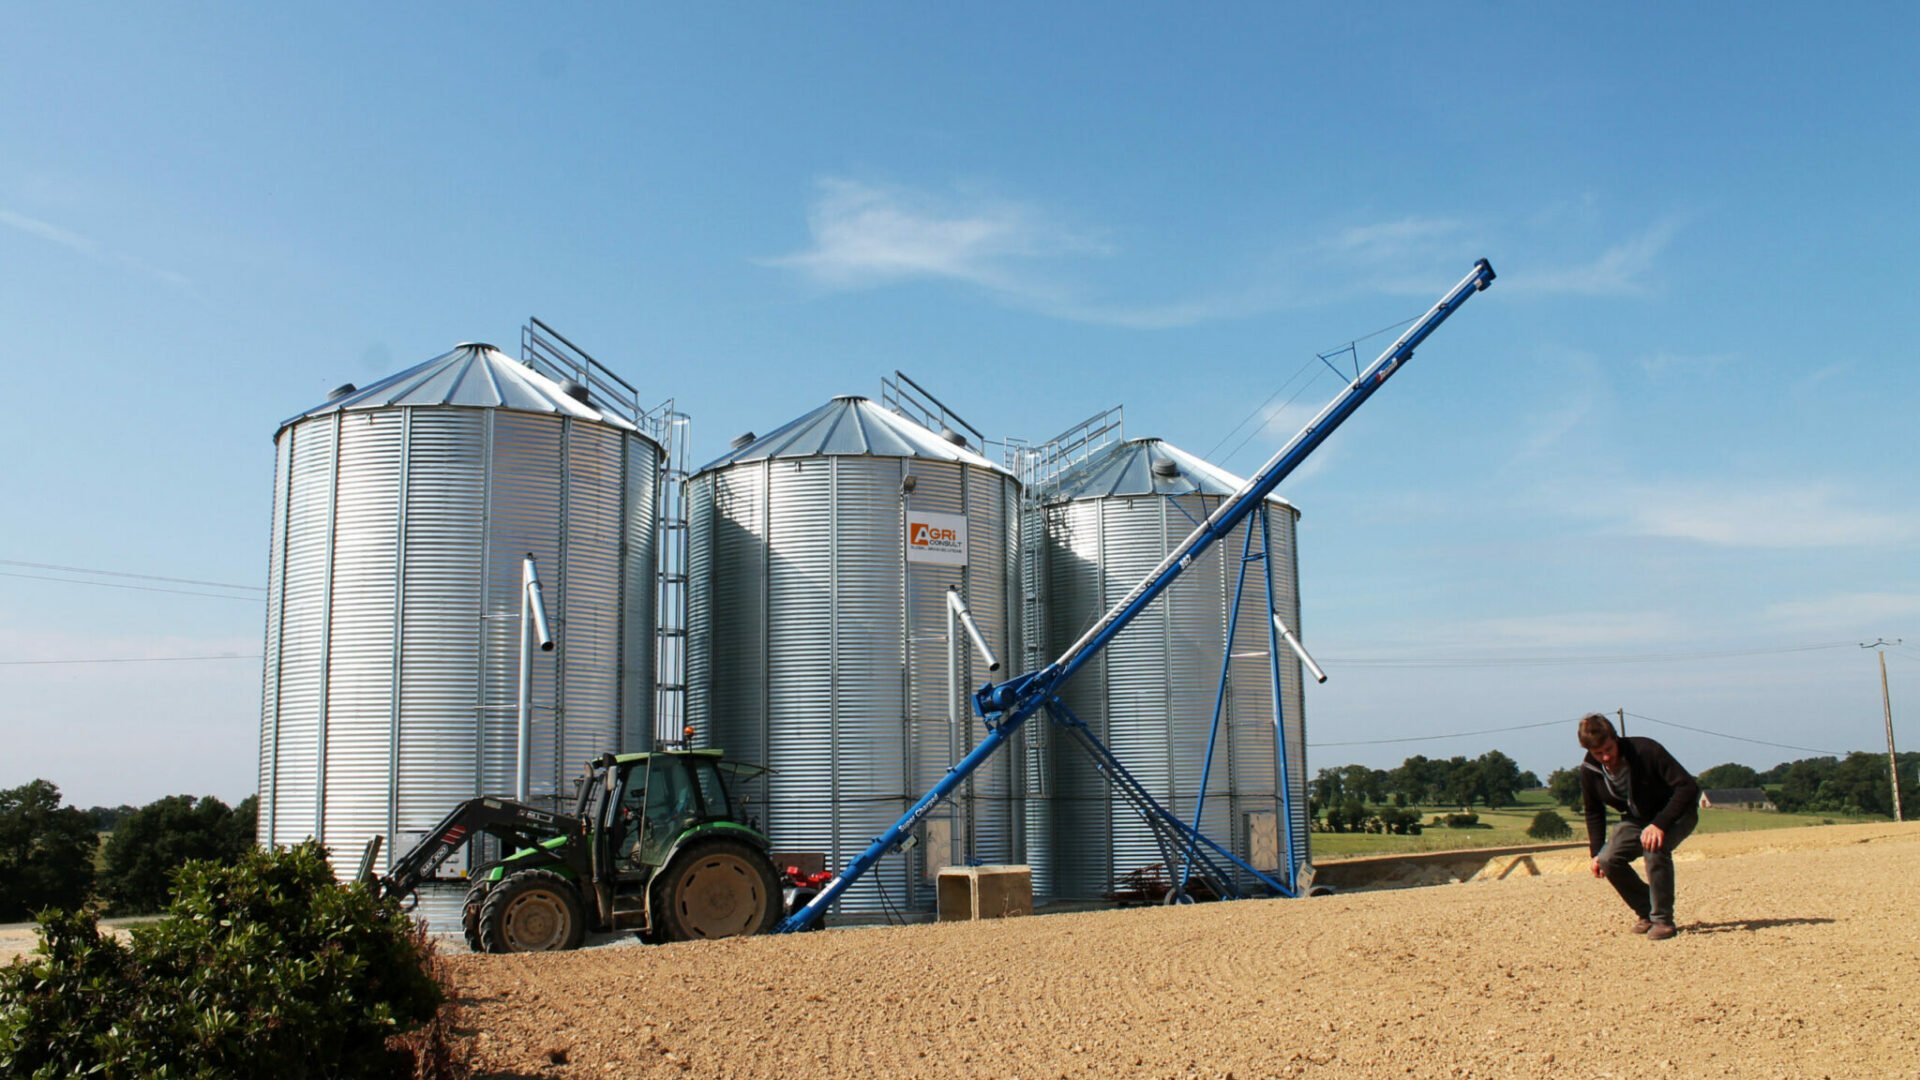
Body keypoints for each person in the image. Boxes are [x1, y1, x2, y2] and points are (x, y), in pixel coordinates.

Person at [1577, 713, 1700, 941]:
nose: (1605, 757)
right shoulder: (1589, 771)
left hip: (1676, 813)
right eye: (1598, 753)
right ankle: (1646, 911)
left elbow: (1688, 787)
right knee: (1608, 859)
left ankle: (1663, 921)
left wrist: (1660, 824)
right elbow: (1594, 811)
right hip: (1637, 819)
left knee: (1654, 846)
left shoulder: (1646, 751)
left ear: (1616, 738)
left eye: (1608, 749)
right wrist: (1595, 853)